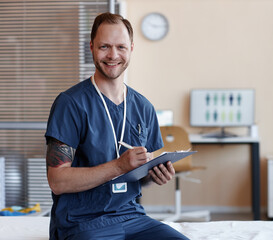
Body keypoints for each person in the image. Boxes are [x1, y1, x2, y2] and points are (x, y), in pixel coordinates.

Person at [45, 12, 189, 240]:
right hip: (82, 223)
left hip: (131, 217)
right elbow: (57, 181)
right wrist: (120, 166)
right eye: (104, 47)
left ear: (131, 48)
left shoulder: (144, 108)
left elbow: (139, 177)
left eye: (121, 47)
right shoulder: (71, 103)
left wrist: (154, 175)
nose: (113, 55)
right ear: (91, 47)